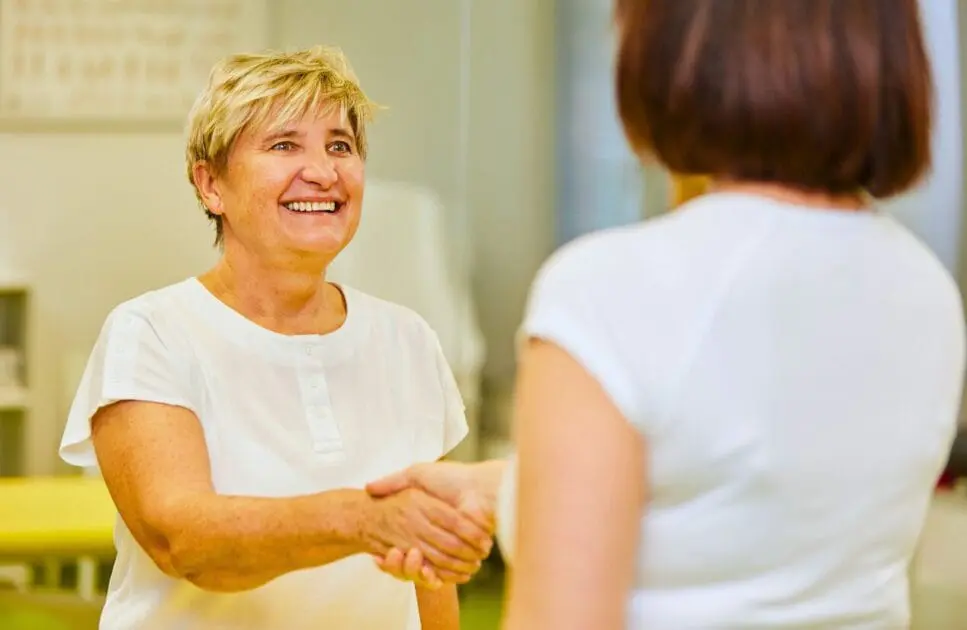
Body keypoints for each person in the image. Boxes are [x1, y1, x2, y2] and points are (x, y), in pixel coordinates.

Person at [367, 1, 967, 628]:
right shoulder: (924, 289)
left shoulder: (610, 289)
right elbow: (753, 506)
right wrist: (511, 490)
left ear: (676, 50)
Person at [58, 45, 492, 630]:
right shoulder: (152, 333)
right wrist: (362, 519)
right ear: (211, 185)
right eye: (285, 145)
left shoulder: (408, 340)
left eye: (340, 145)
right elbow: (182, 541)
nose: (323, 171)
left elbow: (427, 575)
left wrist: (405, 530)